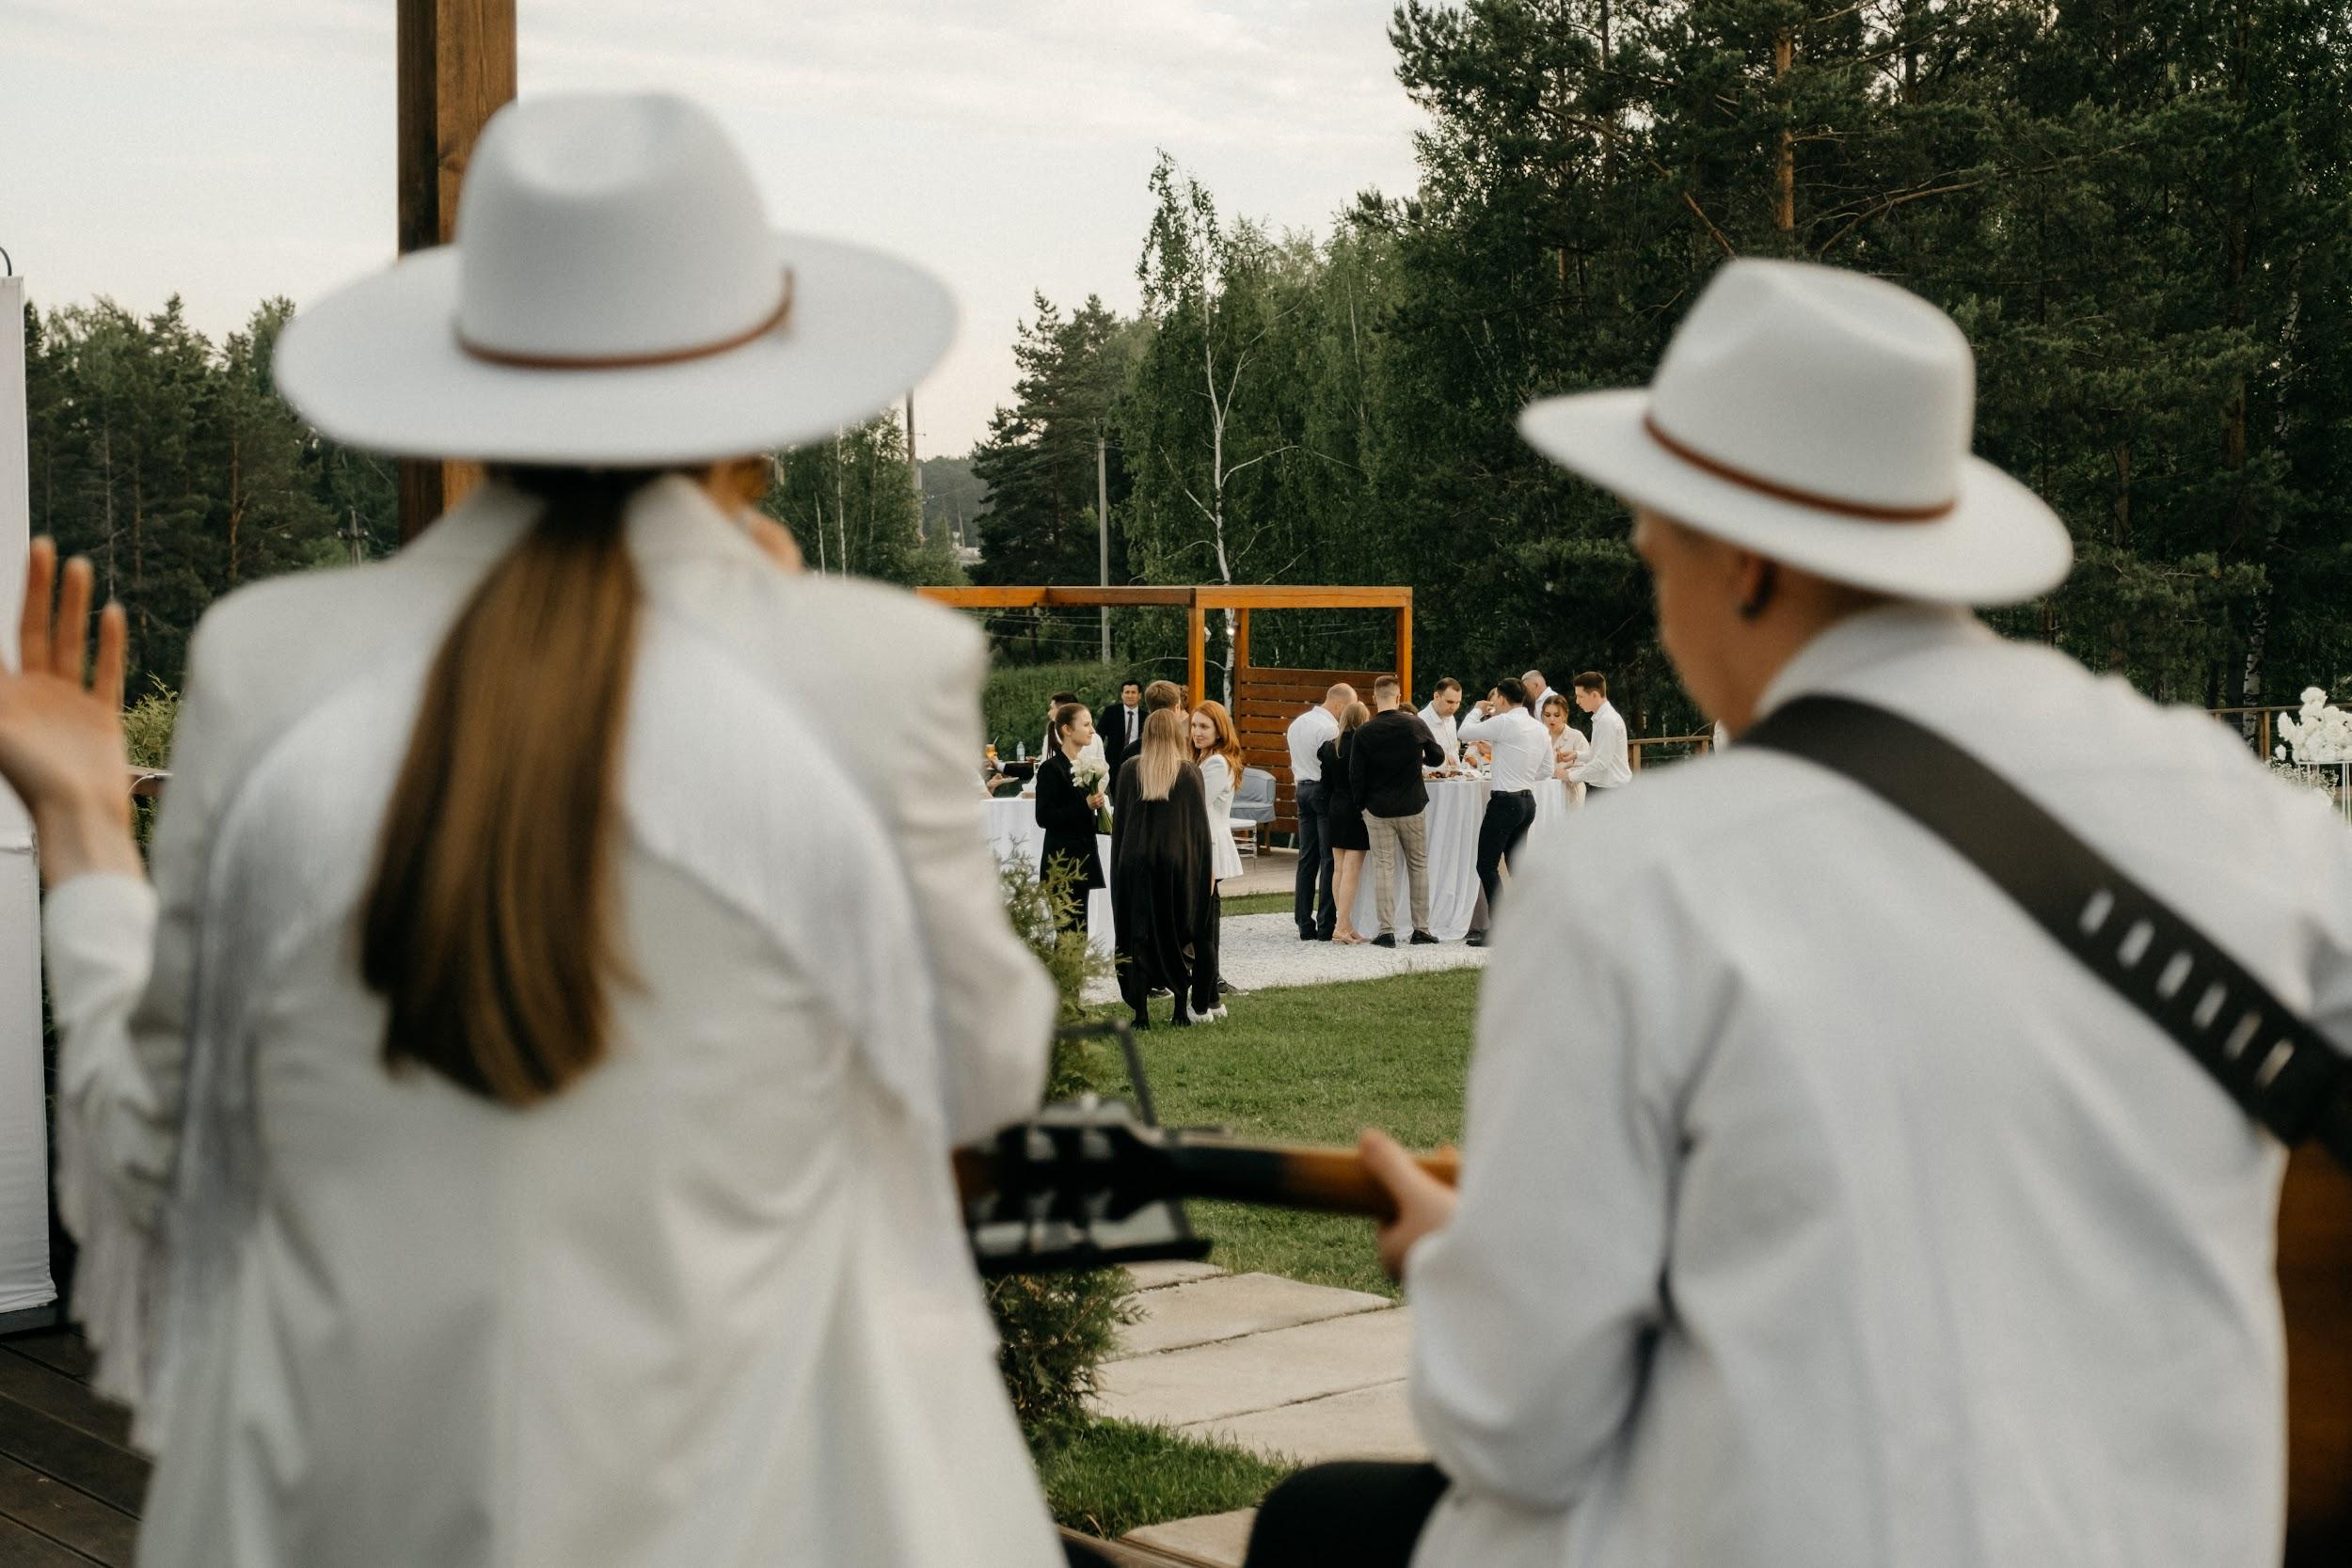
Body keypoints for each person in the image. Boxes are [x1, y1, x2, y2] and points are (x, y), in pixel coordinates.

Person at [13, 95, 1068, 1568]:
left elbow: (157, 1146)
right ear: (757, 411)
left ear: (469, 375)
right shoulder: (873, 674)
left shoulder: (269, 664)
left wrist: (79, 823)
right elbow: (981, 1067)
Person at [1253, 259, 2332, 1568]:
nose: (1659, 594)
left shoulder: (1636, 879)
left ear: (1748, 562)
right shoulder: (2257, 817)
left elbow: (1517, 1423)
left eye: (1659, 553)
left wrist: (1456, 1270)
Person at [1110, 708, 1219, 1028]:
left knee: (1138, 933)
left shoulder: (1130, 770)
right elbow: (1198, 830)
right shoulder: (1187, 772)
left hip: (1134, 862)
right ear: (1175, 734)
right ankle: (1180, 1011)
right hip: (1175, 864)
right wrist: (1203, 872)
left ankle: (1141, 1014)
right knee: (1175, 931)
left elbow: (1121, 824)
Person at [1454, 677, 1552, 947]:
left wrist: (1476, 709)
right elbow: (1546, 769)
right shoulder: (1538, 727)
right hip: (1527, 801)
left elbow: (1464, 732)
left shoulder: (1506, 722)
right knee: (1517, 867)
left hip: (1504, 802)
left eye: (1496, 697)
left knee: (1486, 865)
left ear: (1500, 698)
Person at [1350, 675, 1444, 947]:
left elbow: (1356, 774)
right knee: (1418, 866)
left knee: (1383, 868)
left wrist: (1362, 806)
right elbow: (1437, 757)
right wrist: (1419, 757)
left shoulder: (1364, 732)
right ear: (1399, 696)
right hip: (1412, 804)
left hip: (1378, 808)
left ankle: (1387, 931)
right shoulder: (1414, 723)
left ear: (1374, 698)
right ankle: (1421, 929)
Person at [1191, 700, 1247, 1017]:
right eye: (1195, 726)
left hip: (1208, 846)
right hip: (1206, 843)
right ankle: (1212, 997)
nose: (1197, 732)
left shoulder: (1216, 763)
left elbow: (1196, 804)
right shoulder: (1208, 759)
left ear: (1218, 730)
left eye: (1204, 727)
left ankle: (1205, 1000)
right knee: (1208, 925)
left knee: (1204, 928)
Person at [1285, 684, 1353, 942]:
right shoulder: (1329, 729)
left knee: (1307, 858)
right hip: (1321, 792)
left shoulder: (1298, 723)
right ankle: (1326, 923)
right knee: (1329, 859)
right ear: (1338, 705)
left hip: (1301, 788)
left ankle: (1303, 922)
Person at [1034, 702, 1107, 930]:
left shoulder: (1082, 766)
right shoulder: (1051, 769)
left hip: (1082, 860)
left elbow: (1080, 820)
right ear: (1067, 729)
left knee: (1080, 933)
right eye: (1086, 724)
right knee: (1069, 935)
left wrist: (1104, 821)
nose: (1092, 730)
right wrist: (1084, 805)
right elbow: (1044, 817)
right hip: (1063, 863)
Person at [1316, 702, 1375, 944]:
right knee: (1351, 870)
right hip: (1355, 810)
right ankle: (1341, 926)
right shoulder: (1365, 747)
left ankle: (1345, 924)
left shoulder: (1330, 747)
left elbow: (1325, 784)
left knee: (1338, 869)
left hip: (1335, 807)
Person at [1568, 671, 1631, 792]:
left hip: (1611, 791)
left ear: (1594, 695)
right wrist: (1576, 754)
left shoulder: (1606, 721)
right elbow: (1598, 754)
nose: (1577, 701)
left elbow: (1601, 762)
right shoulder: (1602, 718)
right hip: (1610, 789)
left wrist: (1570, 776)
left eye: (1580, 696)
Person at [1539, 692, 1591, 782]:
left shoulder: (1576, 737)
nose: (1551, 719)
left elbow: (1585, 768)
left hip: (1569, 791)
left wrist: (1562, 774)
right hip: (1544, 791)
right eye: (1547, 715)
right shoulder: (1540, 738)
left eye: (1556, 715)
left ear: (1565, 716)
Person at [1104, 677, 1146, 782]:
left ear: (1139, 695)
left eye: (1133, 692)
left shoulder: (1146, 716)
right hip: (1114, 762)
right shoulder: (1111, 712)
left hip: (1138, 762)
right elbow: (1100, 735)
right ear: (1122, 695)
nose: (1130, 695)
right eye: (1127, 692)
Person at [1418, 677, 1465, 767]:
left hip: (1453, 777)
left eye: (1458, 702)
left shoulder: (1451, 719)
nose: (1454, 707)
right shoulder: (1420, 720)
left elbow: (1454, 751)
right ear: (1436, 696)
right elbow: (1419, 759)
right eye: (1449, 702)